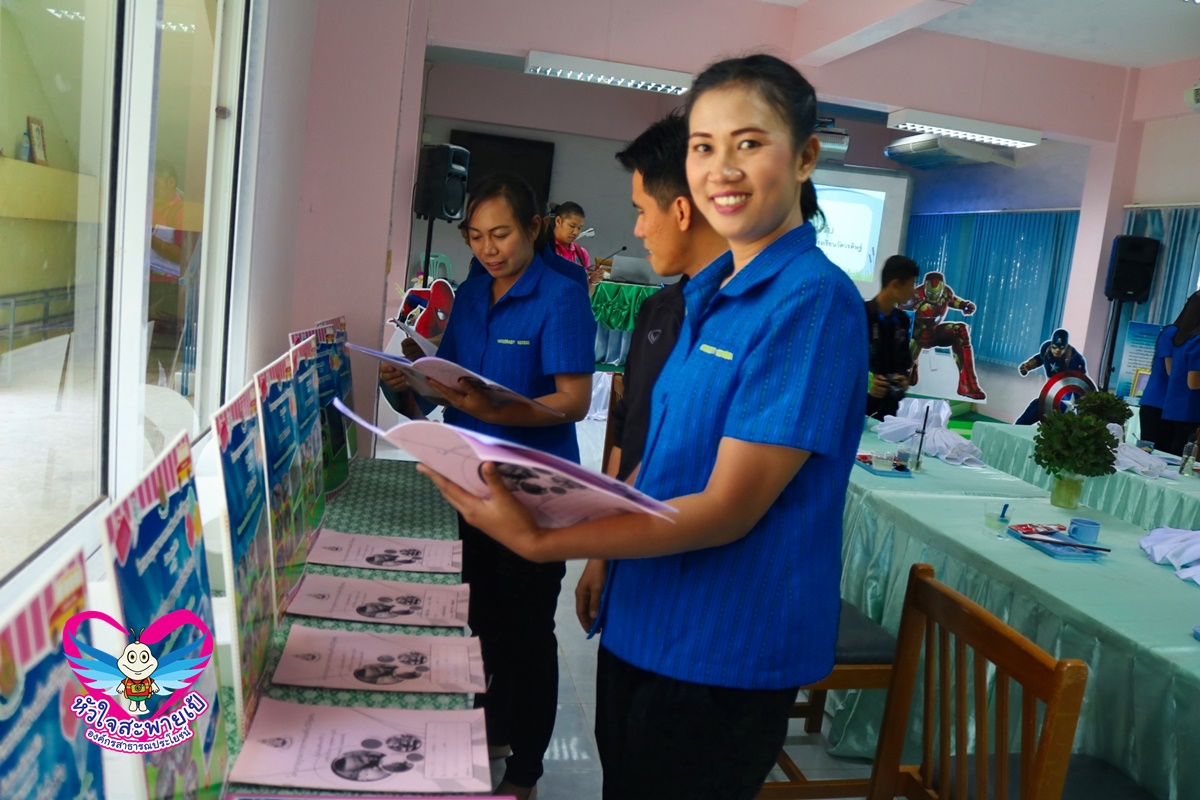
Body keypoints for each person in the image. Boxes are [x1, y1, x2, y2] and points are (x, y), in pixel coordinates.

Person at [420, 54, 867, 800]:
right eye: (704, 147)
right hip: (644, 619)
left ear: (805, 156)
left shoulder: (810, 300)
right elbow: (655, 456)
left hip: (720, 647)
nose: (722, 169)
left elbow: (729, 507)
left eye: (749, 143)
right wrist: (589, 536)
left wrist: (543, 538)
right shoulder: (706, 295)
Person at [381, 174, 595, 800]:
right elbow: (450, 390)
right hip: (469, 480)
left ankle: (526, 769)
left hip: (533, 491)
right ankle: (490, 731)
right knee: (477, 622)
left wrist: (497, 408)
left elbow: (574, 401)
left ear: (533, 228)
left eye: (501, 234)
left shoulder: (561, 295)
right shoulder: (472, 294)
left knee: (527, 631)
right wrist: (411, 383)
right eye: (476, 236)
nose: (488, 249)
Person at [574, 111, 728, 633]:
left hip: (694, 588)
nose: (637, 229)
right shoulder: (658, 311)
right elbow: (626, 428)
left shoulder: (748, 319)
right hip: (630, 561)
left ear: (681, 209)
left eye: (642, 211)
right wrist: (600, 549)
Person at [902, 271, 986, 400]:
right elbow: (901, 318)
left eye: (938, 294)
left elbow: (953, 301)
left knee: (960, 330)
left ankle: (967, 385)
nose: (934, 299)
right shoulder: (915, 296)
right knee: (904, 371)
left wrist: (964, 305)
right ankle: (910, 370)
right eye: (930, 294)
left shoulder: (946, 293)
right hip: (916, 335)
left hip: (934, 332)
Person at [1140, 293, 1200, 451]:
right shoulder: (1173, 332)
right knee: (1152, 452)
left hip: (1171, 405)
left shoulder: (1189, 337)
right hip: (1158, 403)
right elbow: (1172, 371)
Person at [865, 255, 919, 420]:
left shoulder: (902, 321)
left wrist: (903, 380)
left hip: (890, 409)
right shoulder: (862, 316)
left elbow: (903, 361)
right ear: (895, 284)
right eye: (911, 284)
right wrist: (869, 386)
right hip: (861, 406)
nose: (914, 291)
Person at [1013, 329, 1088, 425]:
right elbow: (1041, 358)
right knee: (1034, 409)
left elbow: (1083, 384)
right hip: (1052, 392)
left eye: (1061, 348)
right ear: (1051, 344)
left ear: (1066, 347)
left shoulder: (1075, 360)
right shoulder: (1046, 350)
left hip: (1068, 397)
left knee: (1052, 420)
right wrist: (1028, 366)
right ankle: (1017, 428)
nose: (1057, 350)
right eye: (1054, 347)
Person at [1159, 294, 1200, 456]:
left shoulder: (1184, 339)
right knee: (1181, 462)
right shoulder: (1197, 340)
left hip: (1174, 409)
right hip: (1189, 412)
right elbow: (1193, 382)